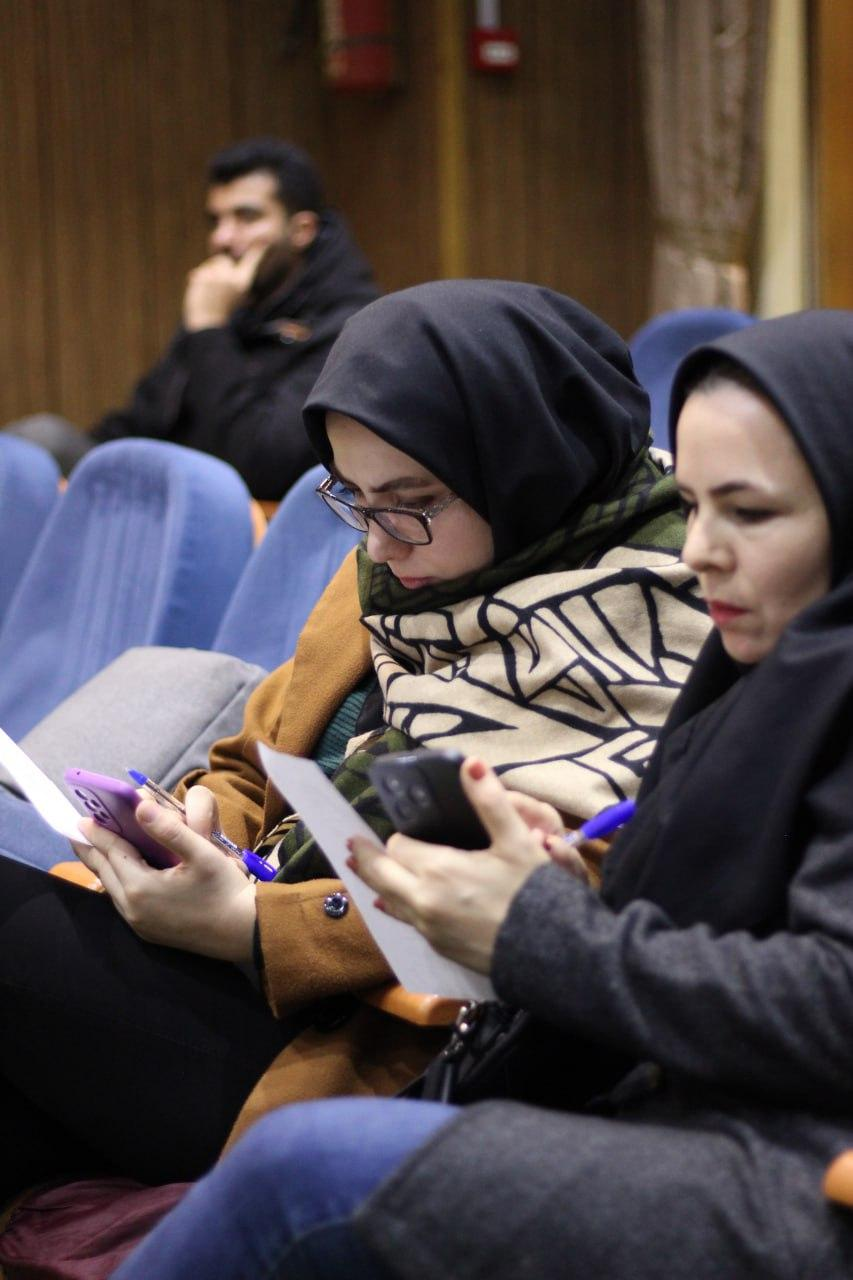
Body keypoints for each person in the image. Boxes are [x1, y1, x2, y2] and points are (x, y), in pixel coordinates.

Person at [109, 308, 853, 1280]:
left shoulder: (692, 636)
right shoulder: (760, 665)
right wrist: (556, 891)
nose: (701, 547)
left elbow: (826, 1001)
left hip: (789, 1153)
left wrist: (541, 922)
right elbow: (254, 755)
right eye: (695, 505)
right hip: (645, 1079)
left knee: (296, 1171)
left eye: (746, 512)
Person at [0, 282, 709, 1241]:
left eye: (412, 504)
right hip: (226, 960)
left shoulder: (677, 618)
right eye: (353, 498)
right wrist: (199, 827)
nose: (376, 540)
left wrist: (258, 930)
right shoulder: (388, 573)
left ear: (531, 466)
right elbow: (250, 763)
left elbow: (571, 903)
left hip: (379, 1045)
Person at [4, 137, 378, 497]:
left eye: (246, 217)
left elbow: (261, 464)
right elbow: (141, 423)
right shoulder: (233, 305)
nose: (222, 238)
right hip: (166, 491)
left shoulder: (349, 324)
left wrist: (210, 330)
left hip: (247, 510)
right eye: (216, 220)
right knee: (37, 449)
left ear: (301, 231)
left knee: (42, 437)